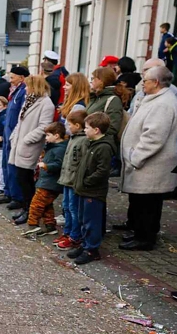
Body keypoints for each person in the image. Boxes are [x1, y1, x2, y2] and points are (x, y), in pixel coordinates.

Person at [117, 66, 177, 251]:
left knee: (148, 204)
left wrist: (135, 157)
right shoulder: (156, 99)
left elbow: (154, 137)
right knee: (143, 203)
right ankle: (140, 234)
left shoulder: (163, 104)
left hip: (150, 165)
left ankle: (144, 238)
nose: (142, 83)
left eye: (145, 80)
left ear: (156, 82)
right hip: (146, 164)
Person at [68, 112, 116, 265]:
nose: (85, 130)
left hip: (93, 191)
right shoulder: (91, 144)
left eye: (87, 128)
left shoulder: (103, 148)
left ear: (96, 130)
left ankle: (92, 249)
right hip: (84, 189)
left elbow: (102, 170)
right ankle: (85, 244)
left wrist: (87, 181)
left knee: (91, 221)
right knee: (83, 219)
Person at [8, 75, 53, 225]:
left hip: (30, 146)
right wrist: (14, 137)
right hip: (20, 144)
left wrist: (27, 139)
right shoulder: (29, 100)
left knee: (26, 179)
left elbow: (44, 126)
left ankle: (31, 210)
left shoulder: (46, 103)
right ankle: (25, 207)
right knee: (21, 178)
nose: (26, 88)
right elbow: (20, 122)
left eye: (28, 86)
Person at [22, 122, 67, 236]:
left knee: (36, 204)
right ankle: (49, 225)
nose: (46, 138)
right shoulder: (53, 147)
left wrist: (46, 166)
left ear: (56, 135)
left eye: (48, 135)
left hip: (50, 182)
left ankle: (32, 224)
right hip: (47, 181)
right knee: (46, 204)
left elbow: (59, 164)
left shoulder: (59, 149)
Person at [0, 66, 29, 208]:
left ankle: (16, 196)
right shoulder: (14, 92)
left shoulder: (23, 93)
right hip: (7, 132)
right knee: (5, 164)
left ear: (21, 77)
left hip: (13, 134)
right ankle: (8, 192)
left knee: (12, 166)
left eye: (13, 77)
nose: (10, 79)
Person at [55, 110, 89, 251]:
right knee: (67, 207)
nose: (67, 127)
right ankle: (68, 232)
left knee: (74, 209)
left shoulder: (83, 141)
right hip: (67, 179)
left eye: (69, 124)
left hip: (74, 181)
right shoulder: (72, 138)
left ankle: (75, 236)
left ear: (77, 125)